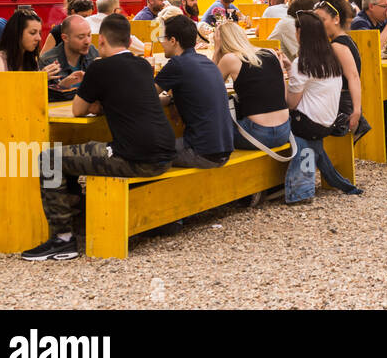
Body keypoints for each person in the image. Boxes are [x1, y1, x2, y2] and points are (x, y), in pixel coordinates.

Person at [21, 13, 177, 261]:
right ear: (128, 41)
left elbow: (78, 110)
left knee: (49, 159)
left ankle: (62, 239)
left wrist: (95, 101)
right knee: (71, 156)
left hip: (135, 157)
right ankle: (77, 217)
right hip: (166, 152)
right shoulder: (142, 65)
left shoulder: (99, 67)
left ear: (101, 40)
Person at [283, 11, 362, 202]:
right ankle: (322, 182)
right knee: (312, 144)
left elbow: (291, 104)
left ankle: (301, 189)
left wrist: (282, 77)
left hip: (307, 125)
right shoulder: (331, 59)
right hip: (327, 122)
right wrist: (289, 69)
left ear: (300, 33)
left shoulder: (301, 63)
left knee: (275, 119)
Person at [155, 14, 236, 168]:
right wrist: (172, 100)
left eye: (163, 38)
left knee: (143, 150)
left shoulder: (177, 64)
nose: (162, 43)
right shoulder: (207, 62)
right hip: (224, 149)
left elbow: (145, 97)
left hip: (201, 152)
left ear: (173, 41)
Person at [213, 18, 293, 155]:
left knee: (212, 129)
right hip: (284, 131)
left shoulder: (230, 59)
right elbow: (284, 97)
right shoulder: (271, 53)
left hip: (257, 134)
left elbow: (208, 87)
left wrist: (216, 51)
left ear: (222, 41)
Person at [313, 0, 367, 141]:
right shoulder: (345, 40)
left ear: (336, 19)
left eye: (322, 20)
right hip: (345, 103)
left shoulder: (337, 45)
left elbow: (353, 77)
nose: (318, 25)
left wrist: (357, 110)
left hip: (343, 106)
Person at [38, 14, 98, 100]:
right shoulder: (48, 61)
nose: (87, 41)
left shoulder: (92, 52)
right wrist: (61, 86)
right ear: (65, 38)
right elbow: (41, 98)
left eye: (89, 35)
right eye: (81, 37)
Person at [0, 8, 51, 72]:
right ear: (17, 33)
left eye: (39, 33)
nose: (39, 38)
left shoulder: (31, 60)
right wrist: (39, 77)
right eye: (32, 33)